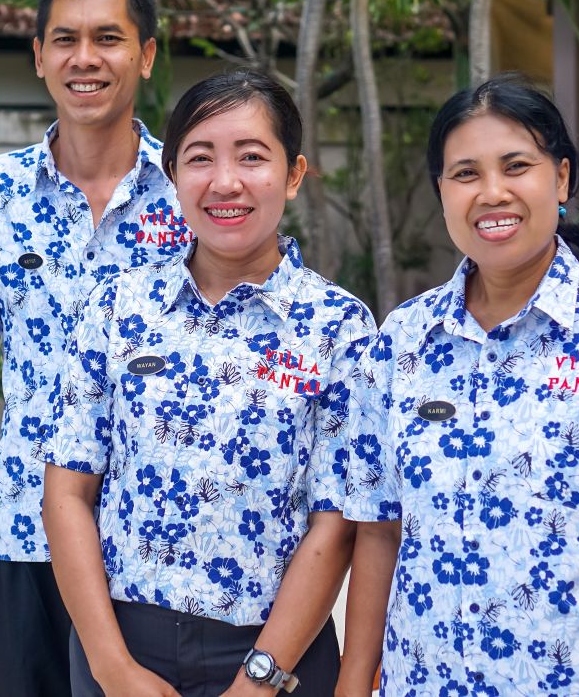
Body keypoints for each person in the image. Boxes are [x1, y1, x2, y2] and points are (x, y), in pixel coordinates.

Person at [339, 74, 579, 696]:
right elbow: (380, 532)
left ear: (561, 179)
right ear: (441, 191)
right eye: (465, 174)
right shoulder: (403, 339)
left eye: (517, 166)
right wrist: (354, 682)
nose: (492, 193)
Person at [41, 69, 375, 697]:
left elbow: (335, 522)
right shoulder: (116, 308)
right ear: (171, 176)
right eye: (200, 158)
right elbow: (66, 491)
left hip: (276, 654)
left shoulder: (340, 327)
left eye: (252, 157)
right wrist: (111, 668)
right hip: (119, 643)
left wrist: (259, 679)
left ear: (295, 174)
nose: (226, 182)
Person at [0, 0, 186, 696]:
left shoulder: (193, 194)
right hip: (18, 539)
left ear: (144, 55)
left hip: (153, 546)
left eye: (108, 38)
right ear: (39, 57)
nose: (86, 58)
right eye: (65, 40)